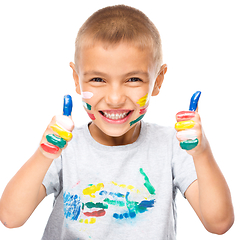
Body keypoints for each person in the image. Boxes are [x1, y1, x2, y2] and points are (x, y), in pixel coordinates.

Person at [0, 5, 234, 240]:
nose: (114, 99)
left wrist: (202, 153)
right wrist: (44, 154)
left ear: (158, 81)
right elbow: (10, 217)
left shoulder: (172, 146)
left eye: (133, 79)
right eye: (97, 79)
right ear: (77, 79)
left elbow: (219, 223)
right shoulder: (64, 147)